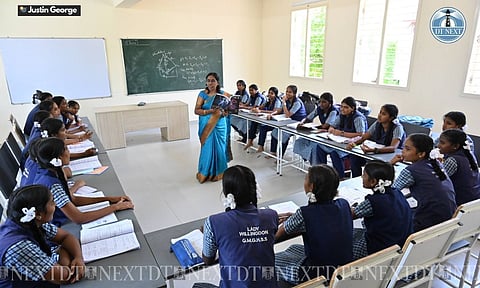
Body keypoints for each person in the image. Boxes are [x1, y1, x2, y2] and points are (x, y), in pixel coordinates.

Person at [201, 165, 278, 288]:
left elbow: (208, 260)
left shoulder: (214, 222)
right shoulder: (271, 216)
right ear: (254, 189)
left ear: (226, 192)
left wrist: (210, 234)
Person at [275, 165, 352, 284]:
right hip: (343, 267)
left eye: (306, 179)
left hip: (316, 274)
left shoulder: (305, 213)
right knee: (293, 248)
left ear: (311, 187)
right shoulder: (344, 204)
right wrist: (296, 218)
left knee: (272, 262)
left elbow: (278, 234)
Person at [31, 137, 134, 227]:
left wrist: (110, 199)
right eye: (66, 149)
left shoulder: (48, 171)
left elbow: (72, 199)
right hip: (60, 224)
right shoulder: (52, 184)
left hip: (64, 218)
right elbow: (79, 218)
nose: (69, 152)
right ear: (59, 157)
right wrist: (116, 207)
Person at [0, 185, 85, 287]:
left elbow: (66, 237)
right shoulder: (19, 247)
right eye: (52, 202)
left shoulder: (30, 222)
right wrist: (63, 250)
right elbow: (64, 276)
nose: (55, 205)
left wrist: (78, 257)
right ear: (38, 214)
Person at [391, 134, 456, 232]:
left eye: (407, 149)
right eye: (404, 147)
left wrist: (390, 164)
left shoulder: (410, 170)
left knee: (390, 214)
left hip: (428, 222)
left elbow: (390, 192)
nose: (403, 151)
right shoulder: (437, 164)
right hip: (448, 217)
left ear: (421, 154)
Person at [351, 160, 413, 260]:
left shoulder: (374, 201)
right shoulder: (396, 192)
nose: (362, 177)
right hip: (398, 242)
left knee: (344, 247)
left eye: (364, 175)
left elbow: (351, 214)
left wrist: (344, 206)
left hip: (380, 246)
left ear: (373, 182)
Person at [346, 104, 406, 177]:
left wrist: (373, 150)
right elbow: (364, 137)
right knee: (354, 157)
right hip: (378, 153)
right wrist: (353, 144)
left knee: (373, 165)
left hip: (391, 156)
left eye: (383, 114)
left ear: (391, 118)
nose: (379, 115)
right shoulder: (378, 123)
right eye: (380, 112)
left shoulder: (397, 127)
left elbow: (393, 147)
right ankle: (356, 180)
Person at [316, 96, 367, 178]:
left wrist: (342, 133)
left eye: (346, 107)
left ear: (352, 108)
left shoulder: (358, 118)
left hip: (354, 145)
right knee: (319, 147)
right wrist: (331, 129)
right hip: (340, 141)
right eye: (342, 107)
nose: (342, 109)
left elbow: (361, 134)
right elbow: (332, 126)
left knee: (335, 153)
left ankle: (340, 177)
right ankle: (322, 173)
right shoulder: (341, 115)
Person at [195, 72, 230, 183]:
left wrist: (225, 113)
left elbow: (229, 109)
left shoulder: (223, 94)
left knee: (220, 147)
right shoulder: (202, 94)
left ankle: (219, 173)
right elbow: (196, 110)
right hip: (207, 124)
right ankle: (205, 173)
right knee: (207, 148)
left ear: (217, 82)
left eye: (213, 80)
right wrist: (209, 111)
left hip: (220, 124)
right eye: (208, 80)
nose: (210, 83)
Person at [293, 92, 339, 164]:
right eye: (320, 101)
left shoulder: (333, 111)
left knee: (314, 146)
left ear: (330, 103)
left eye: (324, 102)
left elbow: (326, 125)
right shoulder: (319, 109)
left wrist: (313, 127)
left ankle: (315, 166)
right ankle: (310, 160)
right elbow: (309, 117)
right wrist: (303, 123)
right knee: (300, 141)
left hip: (330, 135)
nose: (321, 104)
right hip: (320, 132)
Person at [437, 129, 480, 205]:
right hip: (474, 199)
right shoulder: (468, 154)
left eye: (442, 143)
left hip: (459, 201)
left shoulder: (452, 160)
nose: (438, 145)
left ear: (455, 146)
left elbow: (436, 180)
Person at [269, 85, 307, 157]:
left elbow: (288, 115)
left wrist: (284, 103)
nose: (287, 93)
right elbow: (280, 110)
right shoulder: (287, 100)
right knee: (275, 131)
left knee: (284, 134)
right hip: (288, 121)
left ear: (294, 94)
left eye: (290, 92)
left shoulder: (297, 102)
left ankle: (280, 156)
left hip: (297, 123)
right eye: (286, 91)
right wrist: (272, 114)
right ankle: (273, 152)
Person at [244, 86, 283, 151]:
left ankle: (261, 146)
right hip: (266, 119)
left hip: (275, 121)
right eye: (269, 93)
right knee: (254, 122)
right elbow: (260, 107)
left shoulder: (277, 101)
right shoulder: (268, 101)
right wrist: (256, 109)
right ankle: (250, 141)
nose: (270, 95)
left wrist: (261, 111)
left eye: (272, 93)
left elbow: (274, 111)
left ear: (275, 95)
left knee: (263, 127)